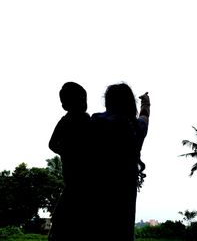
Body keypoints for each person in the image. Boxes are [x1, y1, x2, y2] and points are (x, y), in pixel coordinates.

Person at [90, 82, 150, 241]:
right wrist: (146, 102)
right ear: (130, 103)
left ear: (107, 101)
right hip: (125, 187)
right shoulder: (137, 127)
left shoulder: (96, 121)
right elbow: (144, 115)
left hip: (96, 186)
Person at [48, 81, 91, 241]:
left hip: (78, 183)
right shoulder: (82, 121)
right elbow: (52, 144)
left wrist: (66, 152)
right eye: (82, 99)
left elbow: (52, 144)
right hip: (78, 183)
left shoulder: (82, 121)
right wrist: (67, 152)